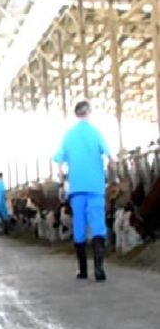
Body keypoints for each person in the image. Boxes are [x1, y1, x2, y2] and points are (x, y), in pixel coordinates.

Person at [53, 100, 112, 282]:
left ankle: (83, 270)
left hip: (76, 188)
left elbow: (59, 163)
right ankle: (99, 269)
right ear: (89, 113)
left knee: (79, 226)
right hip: (95, 187)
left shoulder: (68, 135)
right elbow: (110, 157)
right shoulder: (96, 133)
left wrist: (63, 181)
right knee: (98, 226)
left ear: (76, 114)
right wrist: (110, 176)